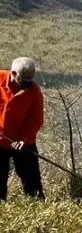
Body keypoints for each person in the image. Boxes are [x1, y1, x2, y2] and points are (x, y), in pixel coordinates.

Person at [0, 57, 45, 201]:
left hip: (23, 142)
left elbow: (36, 119)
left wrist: (24, 139)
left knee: (33, 184)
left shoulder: (34, 91)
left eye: (30, 80)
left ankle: (37, 208)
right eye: (24, 80)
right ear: (13, 73)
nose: (27, 84)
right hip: (0, 140)